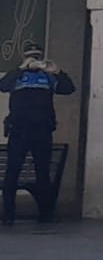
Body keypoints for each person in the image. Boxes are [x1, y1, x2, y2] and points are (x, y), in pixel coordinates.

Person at [1, 44, 75, 227]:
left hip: (42, 130)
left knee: (43, 174)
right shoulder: (17, 76)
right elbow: (2, 86)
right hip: (19, 130)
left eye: (37, 56)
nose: (34, 60)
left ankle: (45, 214)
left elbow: (68, 88)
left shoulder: (48, 76)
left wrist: (57, 71)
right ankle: (8, 215)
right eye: (31, 56)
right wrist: (20, 69)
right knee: (13, 173)